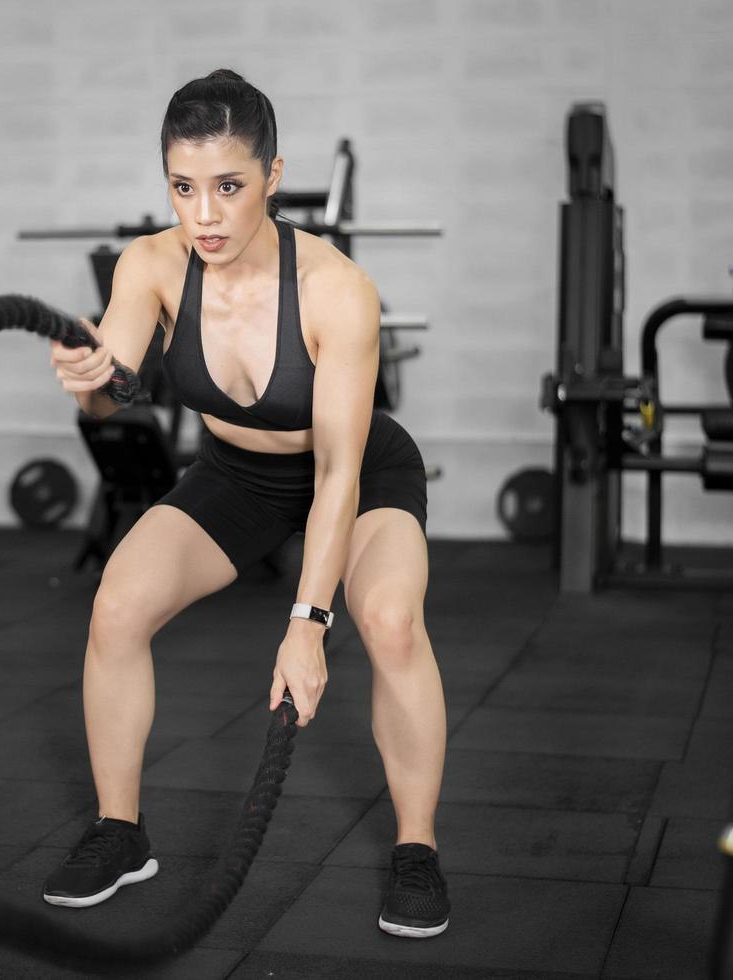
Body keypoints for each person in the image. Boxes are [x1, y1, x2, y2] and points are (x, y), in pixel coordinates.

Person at [41, 69, 450, 940]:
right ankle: (122, 833)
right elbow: (111, 391)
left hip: (359, 472)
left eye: (229, 186)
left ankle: (417, 848)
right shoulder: (149, 265)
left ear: (272, 175)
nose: (206, 216)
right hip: (239, 475)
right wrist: (87, 382)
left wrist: (309, 620)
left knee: (387, 620)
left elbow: (338, 470)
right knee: (115, 608)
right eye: (184, 188)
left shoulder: (337, 289)